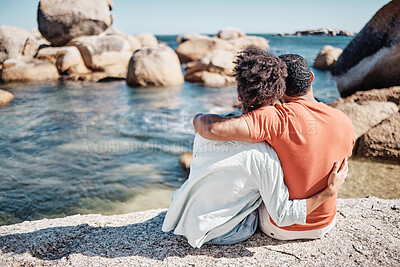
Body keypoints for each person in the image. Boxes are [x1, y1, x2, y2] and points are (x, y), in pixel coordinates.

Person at [162, 48, 349, 248]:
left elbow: (212, 128)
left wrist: (197, 118)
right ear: (312, 77)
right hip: (326, 221)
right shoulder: (344, 120)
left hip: (284, 227)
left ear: (281, 89)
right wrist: (329, 190)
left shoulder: (275, 118)